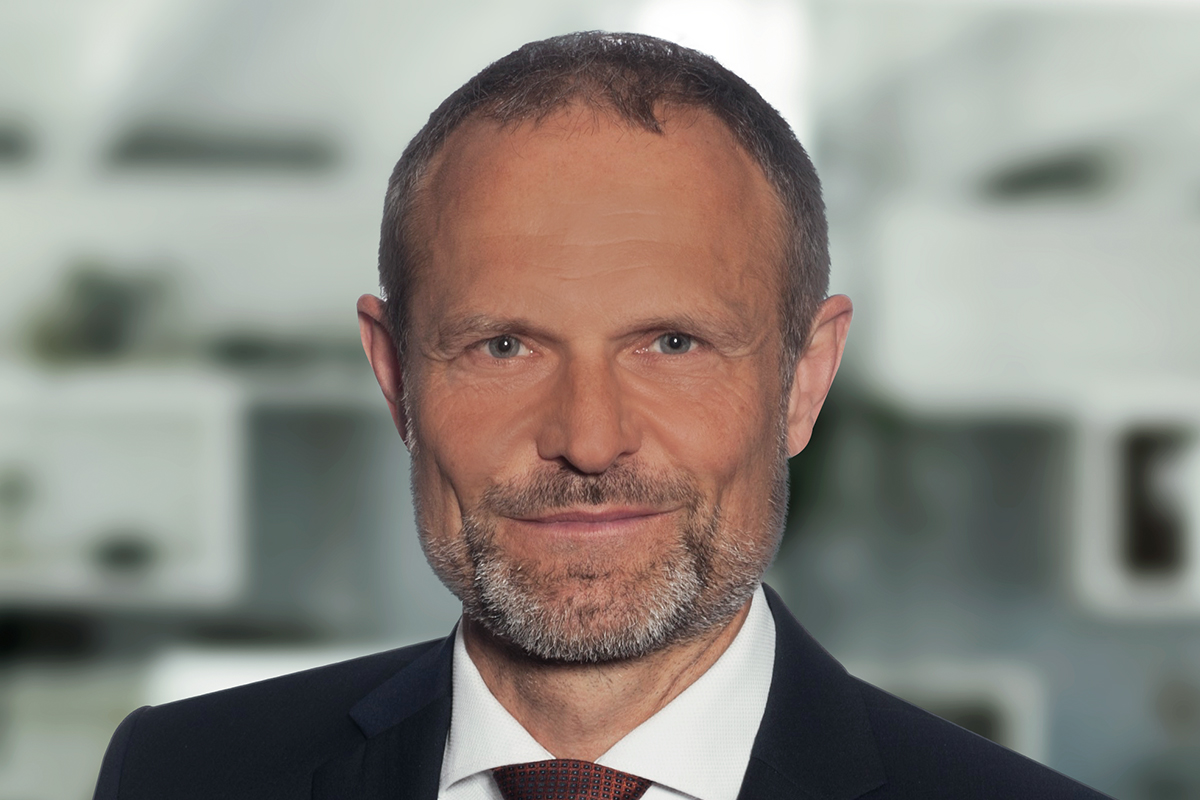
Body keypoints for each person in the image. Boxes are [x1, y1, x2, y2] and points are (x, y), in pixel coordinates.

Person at [92, 32, 1110, 800]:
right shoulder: (181, 775)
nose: (587, 439)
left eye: (672, 343)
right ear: (396, 376)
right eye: (504, 346)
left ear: (804, 378)